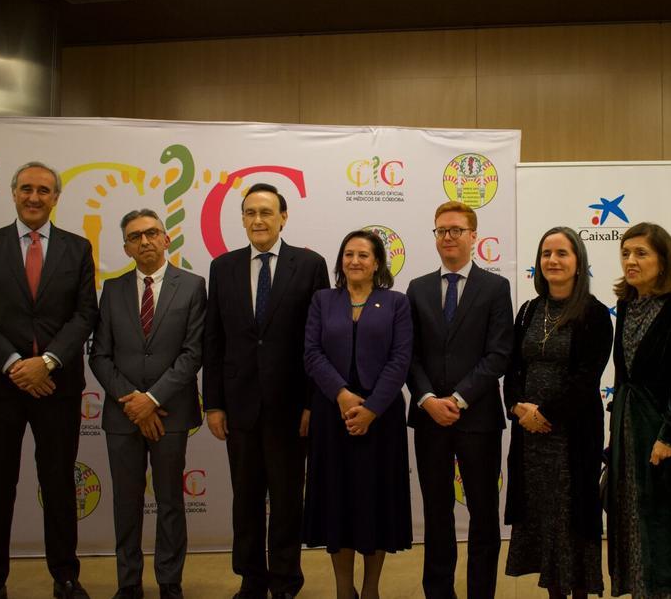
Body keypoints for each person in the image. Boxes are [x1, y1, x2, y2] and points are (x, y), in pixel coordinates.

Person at [0, 161, 98, 599]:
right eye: (26, 189)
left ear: (56, 197)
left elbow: (85, 315)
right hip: (0, 385)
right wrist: (17, 363)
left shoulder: (77, 249)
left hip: (57, 385)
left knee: (58, 484)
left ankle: (66, 577)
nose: (34, 197)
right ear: (13, 193)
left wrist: (49, 361)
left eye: (43, 190)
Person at [202, 182, 330, 599]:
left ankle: (286, 581)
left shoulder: (310, 265)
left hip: (292, 408)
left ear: (283, 217)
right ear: (242, 219)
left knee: (289, 500)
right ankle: (251, 579)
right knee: (247, 501)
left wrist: (314, 403)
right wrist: (214, 403)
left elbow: (319, 340)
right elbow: (213, 340)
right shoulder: (222, 267)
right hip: (239, 407)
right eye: (250, 212)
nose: (258, 220)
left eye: (266, 212)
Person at [90, 209, 207, 599]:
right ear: (125, 246)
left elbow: (192, 354)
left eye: (152, 233)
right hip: (123, 415)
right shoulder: (113, 288)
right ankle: (129, 582)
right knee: (127, 502)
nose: (144, 241)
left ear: (166, 238)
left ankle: (170, 581)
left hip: (170, 412)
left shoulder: (192, 286)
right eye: (135, 236)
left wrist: (153, 399)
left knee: (171, 499)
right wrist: (133, 403)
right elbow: (99, 356)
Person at [406, 201, 513, 599]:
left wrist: (460, 398)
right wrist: (429, 398)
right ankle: (438, 592)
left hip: (479, 419)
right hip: (429, 418)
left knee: (484, 515)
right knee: (436, 514)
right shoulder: (416, 288)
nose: (448, 237)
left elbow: (499, 353)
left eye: (456, 230)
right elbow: (409, 355)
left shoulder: (495, 287)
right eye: (441, 230)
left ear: (474, 236)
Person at [303, 229, 413, 599]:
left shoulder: (396, 302)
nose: (354, 261)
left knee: (375, 502)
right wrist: (343, 395)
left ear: (377, 262)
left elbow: (400, 360)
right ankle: (341, 589)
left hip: (381, 419)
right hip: (332, 414)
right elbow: (312, 353)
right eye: (348, 254)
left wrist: (371, 409)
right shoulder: (322, 300)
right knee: (337, 501)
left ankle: (370, 589)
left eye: (363, 255)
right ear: (340, 261)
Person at [504, 226, 612, 599]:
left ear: (579, 263)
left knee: (571, 522)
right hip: (530, 440)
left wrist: (544, 414)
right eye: (546, 253)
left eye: (562, 253)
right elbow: (514, 368)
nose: (553, 260)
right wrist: (517, 407)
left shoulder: (595, 314)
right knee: (544, 522)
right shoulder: (529, 310)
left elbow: (586, 379)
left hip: (571, 437)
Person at [606, 223, 671, 598]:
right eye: (626, 253)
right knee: (631, 520)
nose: (631, 260)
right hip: (629, 431)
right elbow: (624, 373)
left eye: (641, 253)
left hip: (664, 435)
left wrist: (670, 435)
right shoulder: (626, 303)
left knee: (666, 531)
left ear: (663, 261)